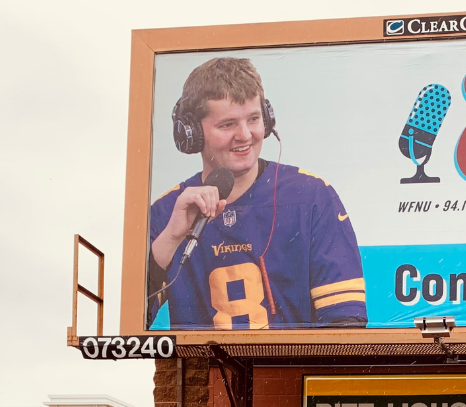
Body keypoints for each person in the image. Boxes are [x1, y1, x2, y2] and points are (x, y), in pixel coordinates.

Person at [148, 56, 367, 330]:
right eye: (227, 125)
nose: (245, 135)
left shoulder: (311, 197)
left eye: (253, 119)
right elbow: (133, 320)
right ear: (191, 134)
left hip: (290, 372)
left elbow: (346, 325)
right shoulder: (167, 211)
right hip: (199, 373)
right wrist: (171, 238)